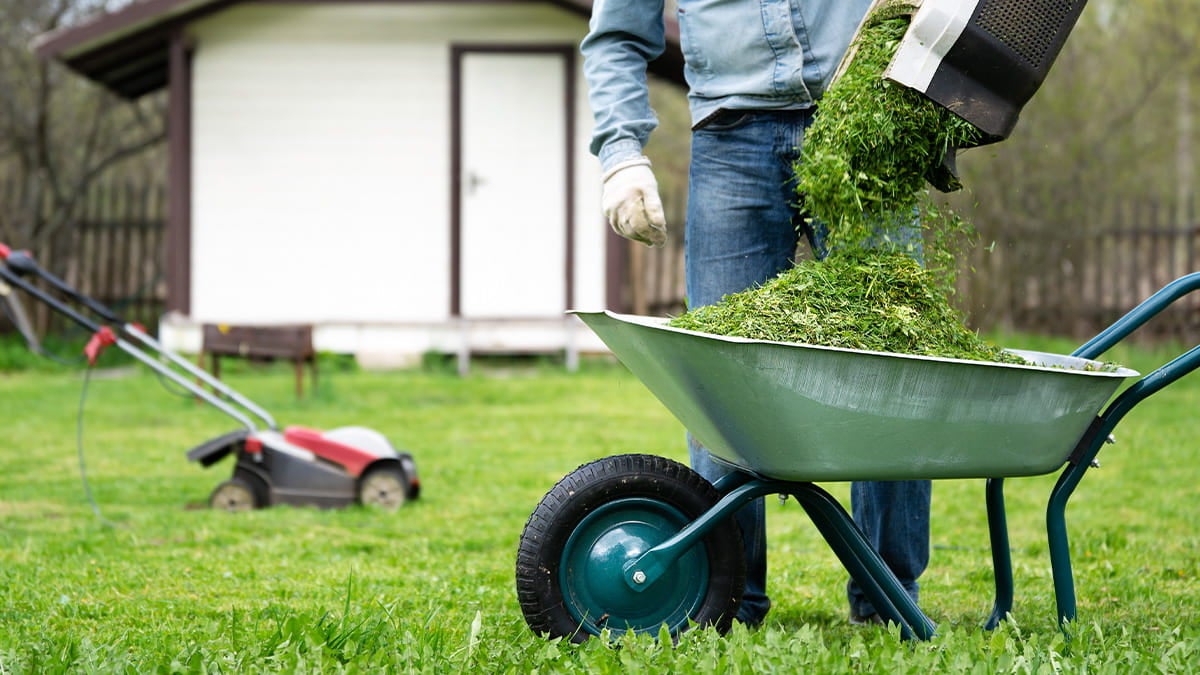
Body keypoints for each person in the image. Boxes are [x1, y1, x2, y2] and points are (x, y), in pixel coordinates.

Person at [580, 0, 932, 627]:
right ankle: (728, 595)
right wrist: (621, 151)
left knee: (893, 366)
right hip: (730, 139)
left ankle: (888, 595)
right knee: (719, 378)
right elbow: (615, 36)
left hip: (866, 122)